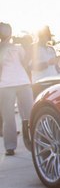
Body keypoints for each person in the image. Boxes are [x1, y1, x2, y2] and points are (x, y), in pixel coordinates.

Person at [0, 22, 34, 155]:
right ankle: (10, 146)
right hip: (5, 85)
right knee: (8, 117)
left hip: (23, 82)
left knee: (29, 113)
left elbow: (25, 62)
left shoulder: (18, 47)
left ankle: (33, 140)